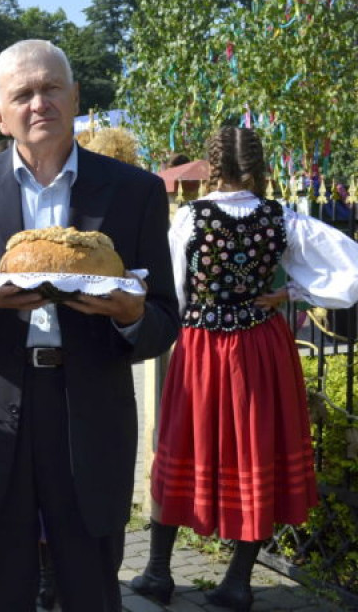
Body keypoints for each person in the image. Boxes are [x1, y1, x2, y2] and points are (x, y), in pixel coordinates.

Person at [0, 39, 180, 612]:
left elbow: (165, 320)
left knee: (92, 586)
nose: (39, 103)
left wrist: (133, 315)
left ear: (76, 97)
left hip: (90, 408)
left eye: (51, 88)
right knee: (4, 590)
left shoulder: (134, 191)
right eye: (23, 94)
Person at [132, 126, 358, 611]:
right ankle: (237, 581)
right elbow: (349, 267)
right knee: (257, 449)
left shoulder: (190, 218)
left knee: (182, 443)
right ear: (257, 165)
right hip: (262, 345)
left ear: (213, 166)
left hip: (203, 347)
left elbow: (172, 289)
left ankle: (158, 573)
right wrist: (293, 292)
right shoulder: (283, 218)